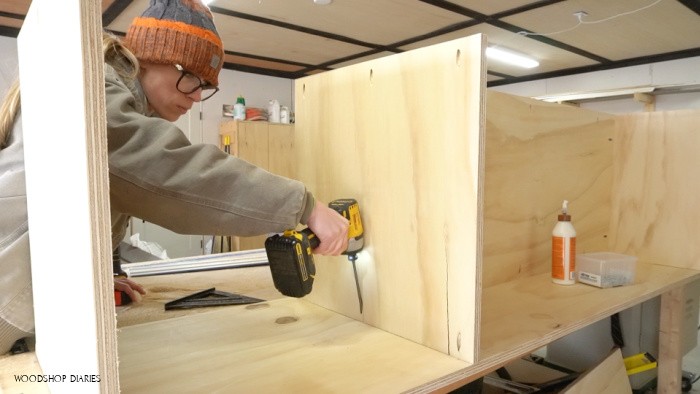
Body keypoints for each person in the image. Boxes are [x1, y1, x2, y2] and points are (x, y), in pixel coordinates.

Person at [0, 0, 349, 354]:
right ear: (149, 56)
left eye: (206, 86)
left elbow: (96, 200)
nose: (197, 97)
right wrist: (304, 206)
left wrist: (97, 275)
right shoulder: (92, 88)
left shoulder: (101, 87)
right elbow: (169, 170)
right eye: (191, 78)